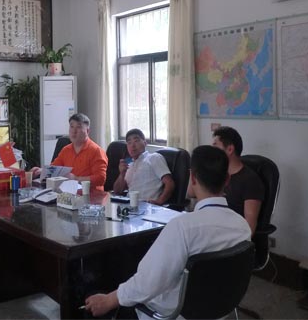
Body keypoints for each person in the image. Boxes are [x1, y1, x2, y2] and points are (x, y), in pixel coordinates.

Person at [84, 145, 251, 318]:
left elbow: (147, 282)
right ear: (227, 180)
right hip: (219, 311)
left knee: (99, 292)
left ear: (193, 177)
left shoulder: (182, 227)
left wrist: (109, 300)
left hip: (172, 313)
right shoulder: (242, 226)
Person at [32, 113, 107, 190]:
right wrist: (42, 171)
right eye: (71, 127)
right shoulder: (66, 150)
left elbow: (100, 178)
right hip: (68, 192)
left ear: (87, 131)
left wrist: (76, 179)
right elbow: (55, 168)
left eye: (78, 127)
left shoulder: (96, 151)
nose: (74, 131)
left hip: (91, 194)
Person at [212, 126, 264, 235]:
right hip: (213, 228)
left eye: (215, 145)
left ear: (230, 149)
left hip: (231, 236)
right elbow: (191, 194)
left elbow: (249, 227)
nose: (211, 151)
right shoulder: (218, 174)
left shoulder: (250, 181)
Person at [112, 128, 175, 205]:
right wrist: (122, 174)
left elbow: (170, 183)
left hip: (148, 206)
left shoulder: (154, 158)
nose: (133, 145)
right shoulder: (129, 166)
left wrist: (159, 201)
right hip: (130, 205)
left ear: (145, 143)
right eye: (129, 143)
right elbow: (117, 191)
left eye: (136, 141)